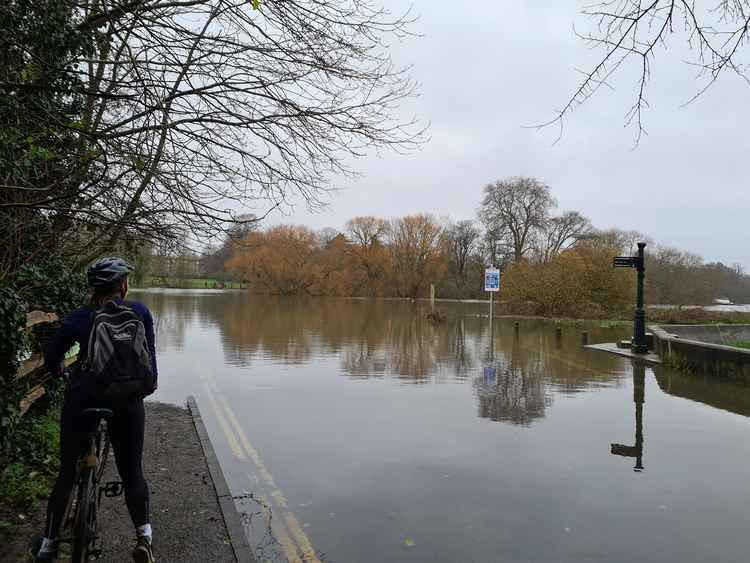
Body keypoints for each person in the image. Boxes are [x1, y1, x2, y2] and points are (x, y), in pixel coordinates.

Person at [34, 257, 158, 563]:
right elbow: (150, 364)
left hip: (84, 400)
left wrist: (62, 370)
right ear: (124, 285)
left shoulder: (78, 317)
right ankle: (144, 537)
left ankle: (49, 545)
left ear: (93, 288)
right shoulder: (140, 312)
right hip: (127, 403)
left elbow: (52, 358)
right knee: (132, 473)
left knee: (66, 472)